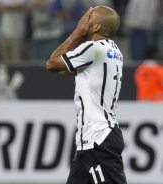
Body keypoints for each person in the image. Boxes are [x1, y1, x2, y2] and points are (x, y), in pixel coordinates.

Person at [46, 6, 127, 184]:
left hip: (98, 140)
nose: (83, 20)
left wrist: (78, 32)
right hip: (92, 141)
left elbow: (52, 64)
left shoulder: (93, 49)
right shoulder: (113, 51)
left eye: (87, 18)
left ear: (96, 26)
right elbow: (63, 70)